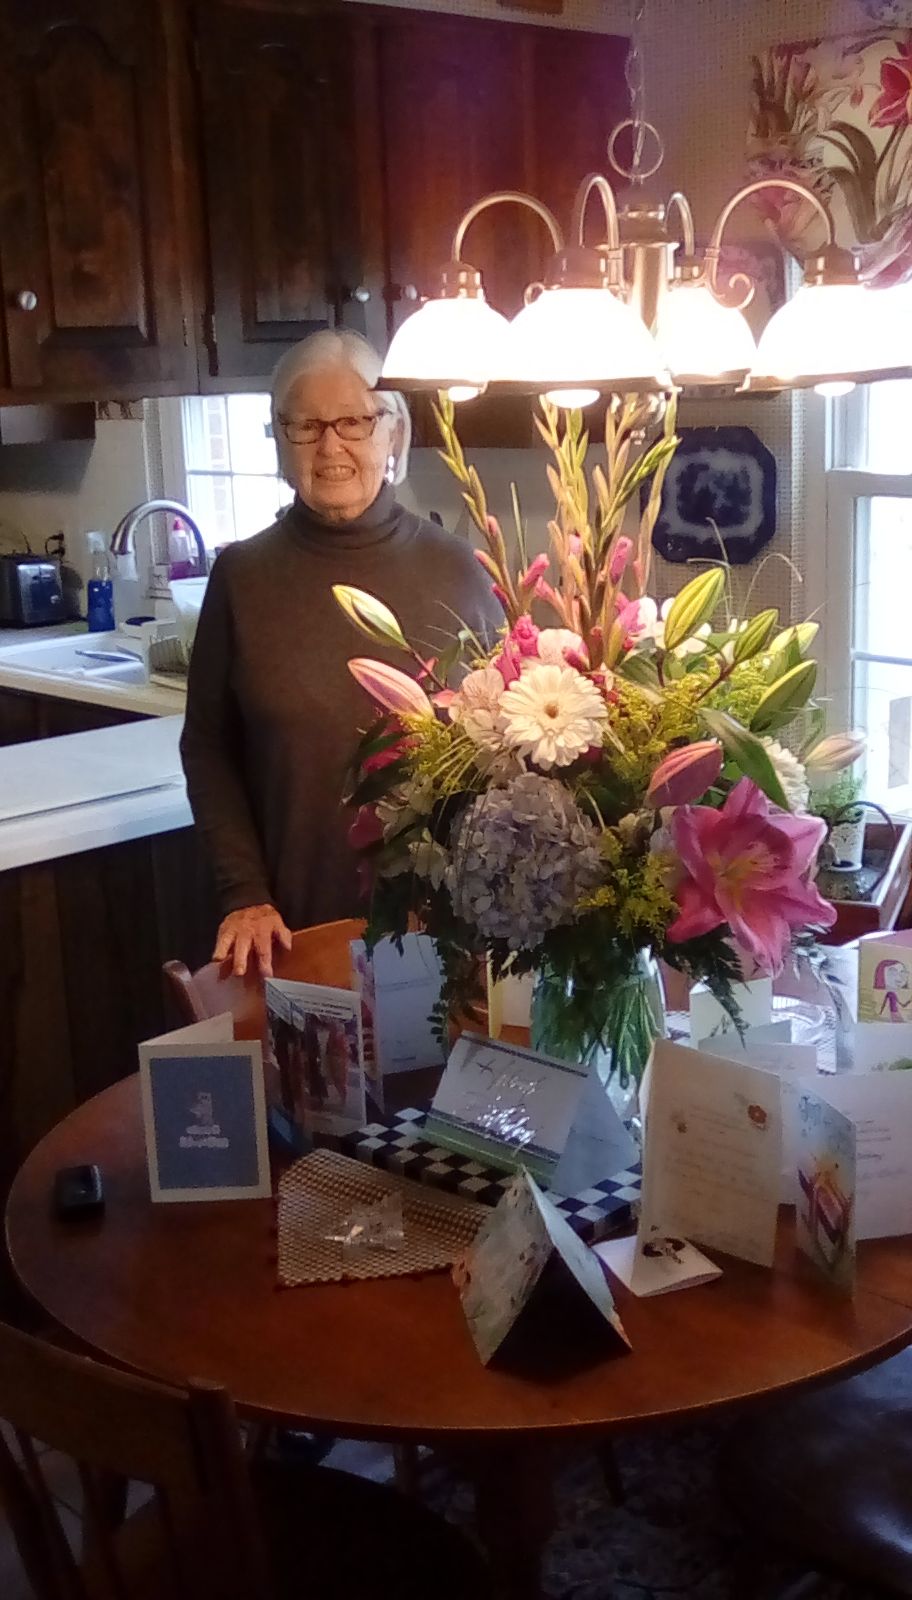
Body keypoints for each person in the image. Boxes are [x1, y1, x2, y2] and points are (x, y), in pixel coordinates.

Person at [181, 330, 502, 977]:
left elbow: (506, 749)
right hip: (288, 931)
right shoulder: (242, 578)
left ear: (394, 433)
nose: (331, 447)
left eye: (355, 421)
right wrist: (244, 892)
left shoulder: (461, 570)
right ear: (279, 440)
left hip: (444, 935)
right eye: (305, 426)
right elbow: (208, 748)